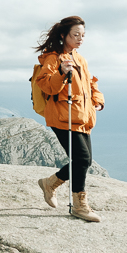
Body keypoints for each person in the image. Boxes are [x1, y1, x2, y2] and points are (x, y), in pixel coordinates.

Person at [34, 15, 105, 222]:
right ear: (64, 35)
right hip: (62, 116)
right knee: (82, 159)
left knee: (85, 160)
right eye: (76, 35)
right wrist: (62, 74)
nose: (80, 39)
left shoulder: (79, 58)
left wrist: (97, 99)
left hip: (81, 116)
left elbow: (91, 83)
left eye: (83, 35)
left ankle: (50, 183)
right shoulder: (53, 58)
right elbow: (46, 85)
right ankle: (79, 205)